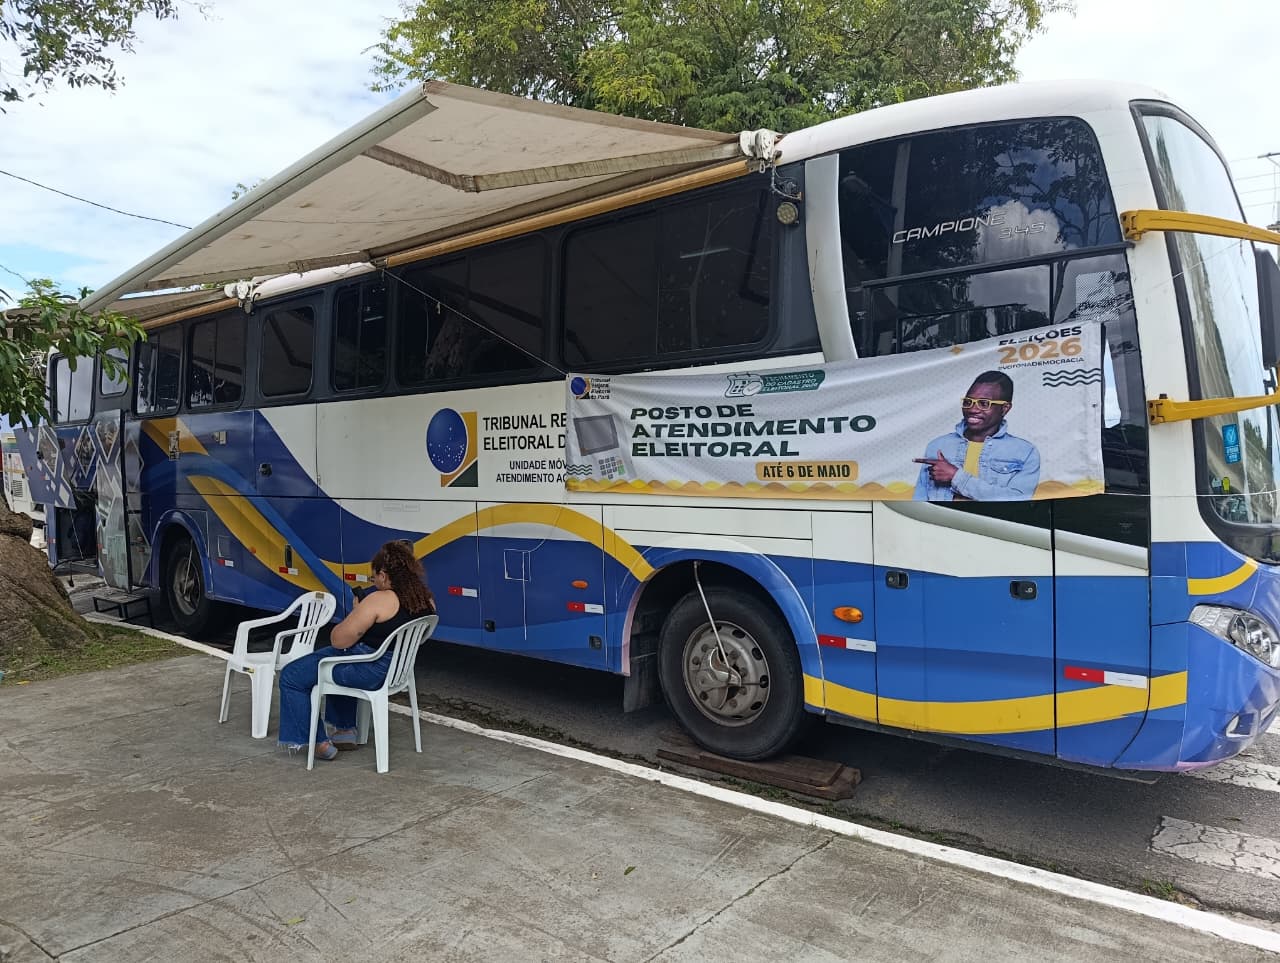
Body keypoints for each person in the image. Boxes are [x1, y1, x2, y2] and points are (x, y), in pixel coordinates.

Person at [277, 540, 435, 760]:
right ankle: (344, 731)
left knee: (292, 675)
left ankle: (318, 743)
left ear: (383, 574)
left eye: (374, 577)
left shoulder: (379, 599)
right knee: (336, 658)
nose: (374, 582)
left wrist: (357, 612)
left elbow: (338, 640)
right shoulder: (425, 600)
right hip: (397, 670)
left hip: (369, 671)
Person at [913, 370, 1040, 501]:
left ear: (1005, 408)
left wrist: (956, 476)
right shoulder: (938, 446)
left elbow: (1018, 501)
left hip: (986, 521)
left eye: (984, 403)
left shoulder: (1024, 452)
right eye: (968, 402)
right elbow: (920, 500)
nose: (972, 409)